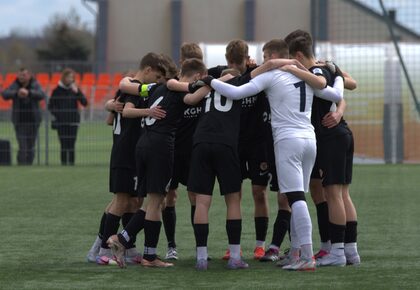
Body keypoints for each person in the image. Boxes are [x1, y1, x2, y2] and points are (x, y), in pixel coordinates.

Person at [205, 38, 345, 271]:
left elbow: (236, 93)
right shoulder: (305, 76)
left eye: (265, 57)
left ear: (272, 57)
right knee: (297, 198)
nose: (263, 61)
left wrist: (211, 81)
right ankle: (298, 253)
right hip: (310, 140)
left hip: (288, 140)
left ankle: (306, 257)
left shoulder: (272, 75)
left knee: (296, 198)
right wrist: (338, 73)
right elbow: (335, 94)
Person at [107, 58, 209, 268]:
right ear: (197, 76)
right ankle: (131, 246)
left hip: (142, 144)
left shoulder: (156, 88)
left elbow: (128, 90)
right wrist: (211, 84)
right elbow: (191, 100)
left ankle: (141, 250)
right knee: (155, 202)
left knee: (152, 201)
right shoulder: (182, 90)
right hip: (160, 147)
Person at [285, 31, 360, 267]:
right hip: (337, 135)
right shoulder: (323, 69)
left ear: (298, 54)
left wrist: (337, 111)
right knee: (338, 194)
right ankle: (349, 251)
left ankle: (337, 252)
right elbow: (340, 91)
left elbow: (342, 86)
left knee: (335, 194)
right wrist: (339, 109)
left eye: (291, 58)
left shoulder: (316, 72)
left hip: (331, 137)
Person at [86, 53, 166, 265]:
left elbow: (110, 119)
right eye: (156, 76)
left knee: (132, 202)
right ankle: (102, 249)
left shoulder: (128, 87)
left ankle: (126, 249)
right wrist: (147, 111)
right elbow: (127, 112)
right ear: (147, 69)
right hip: (126, 152)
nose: (156, 82)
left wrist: (111, 105)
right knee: (121, 201)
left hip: (130, 152)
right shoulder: (134, 86)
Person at [163, 43, 205, 261]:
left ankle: (193, 246)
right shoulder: (175, 84)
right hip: (174, 146)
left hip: (191, 149)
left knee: (188, 197)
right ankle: (172, 245)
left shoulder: (206, 84)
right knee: (173, 197)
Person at [2, 68, 46, 165]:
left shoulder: (35, 84)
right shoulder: (15, 84)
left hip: (33, 121)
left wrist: (29, 93)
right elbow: (5, 94)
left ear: (29, 75)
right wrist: (16, 93)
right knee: (23, 146)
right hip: (20, 121)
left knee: (30, 146)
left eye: (24, 75)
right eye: (20, 75)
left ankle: (29, 165)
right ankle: (21, 164)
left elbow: (42, 94)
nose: (21, 77)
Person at [48, 68, 88, 165]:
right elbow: (51, 106)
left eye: (72, 77)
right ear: (64, 77)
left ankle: (71, 163)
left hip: (73, 121)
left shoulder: (75, 90)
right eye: (69, 77)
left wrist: (78, 92)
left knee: (71, 144)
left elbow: (84, 103)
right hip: (61, 122)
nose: (70, 79)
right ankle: (64, 163)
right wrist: (59, 114)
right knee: (63, 144)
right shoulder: (56, 91)